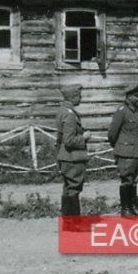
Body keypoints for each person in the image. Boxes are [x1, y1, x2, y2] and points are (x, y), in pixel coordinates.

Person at [108, 80, 138, 216]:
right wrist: (119, 147)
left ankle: (132, 207)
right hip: (125, 152)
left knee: (134, 180)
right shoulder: (122, 111)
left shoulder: (136, 111)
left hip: (136, 151)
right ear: (130, 96)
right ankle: (125, 209)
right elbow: (112, 133)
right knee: (126, 180)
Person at [55, 84, 91, 217]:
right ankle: (74, 223)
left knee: (67, 189)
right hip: (72, 158)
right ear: (73, 97)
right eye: (79, 96)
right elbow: (69, 140)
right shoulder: (70, 115)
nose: (81, 99)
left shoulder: (62, 111)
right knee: (74, 190)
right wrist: (84, 137)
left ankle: (67, 222)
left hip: (64, 157)